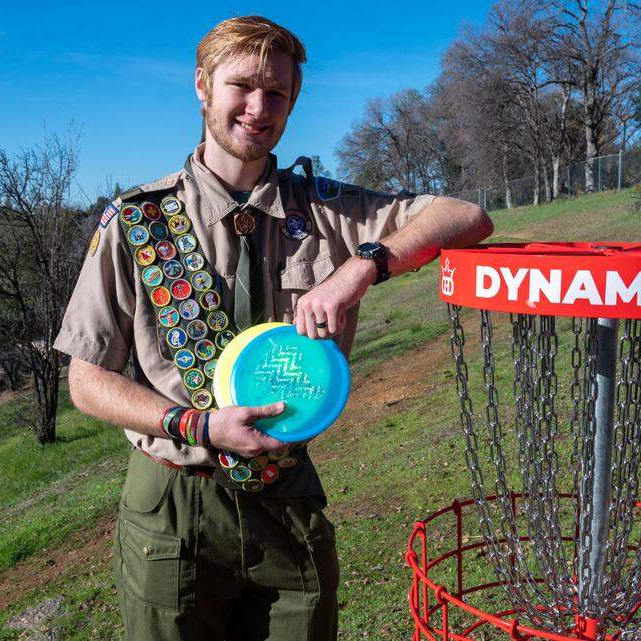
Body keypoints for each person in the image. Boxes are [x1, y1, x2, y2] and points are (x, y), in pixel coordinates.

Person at [56, 15, 492, 641]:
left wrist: (357, 271)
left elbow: (467, 216)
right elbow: (86, 380)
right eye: (241, 87)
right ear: (202, 87)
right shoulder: (138, 223)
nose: (259, 109)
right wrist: (199, 424)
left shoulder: (327, 209)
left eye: (278, 94)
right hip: (176, 504)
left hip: (285, 494)